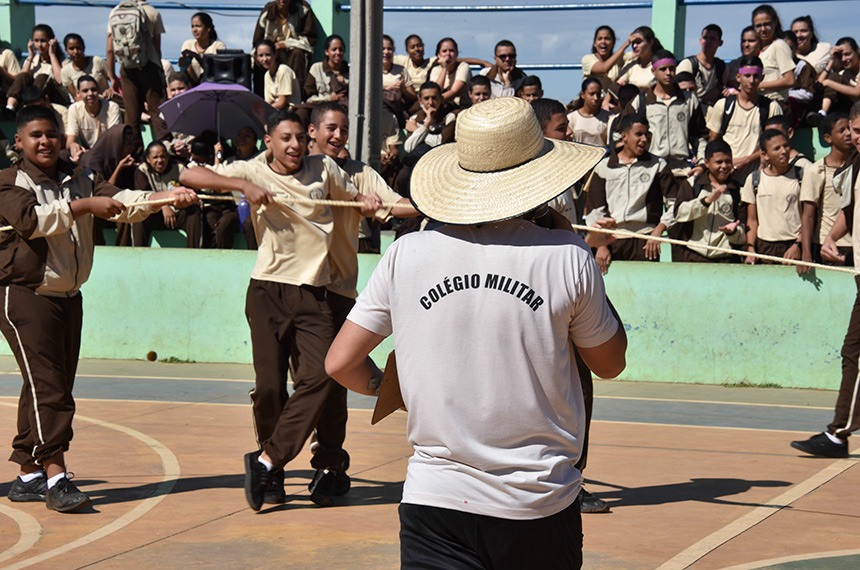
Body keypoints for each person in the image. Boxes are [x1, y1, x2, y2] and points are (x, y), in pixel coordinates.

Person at [325, 96, 625, 568]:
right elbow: (609, 363)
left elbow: (340, 362)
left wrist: (386, 387)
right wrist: (576, 249)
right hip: (537, 504)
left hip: (434, 500)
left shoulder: (408, 253)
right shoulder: (567, 255)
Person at [178, 109, 383, 510]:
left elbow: (353, 197)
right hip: (268, 291)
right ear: (269, 141)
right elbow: (189, 176)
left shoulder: (323, 167)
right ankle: (273, 473)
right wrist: (240, 186)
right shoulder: (252, 170)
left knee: (324, 375)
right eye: (284, 139)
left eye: (298, 139)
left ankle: (269, 461)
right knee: (270, 387)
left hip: (315, 294)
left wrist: (368, 202)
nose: (293, 147)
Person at [0, 105, 197, 512]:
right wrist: (84, 207)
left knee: (46, 384)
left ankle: (26, 473)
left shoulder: (80, 180)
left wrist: (165, 195)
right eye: (35, 135)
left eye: (51, 134)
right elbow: (31, 222)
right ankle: (55, 476)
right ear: (18, 142)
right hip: (24, 295)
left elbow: (123, 200)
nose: (45, 141)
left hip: (69, 297)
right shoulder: (8, 182)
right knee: (50, 388)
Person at [791, 101, 860, 458]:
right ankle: (838, 431)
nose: (855, 138)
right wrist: (831, 238)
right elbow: (848, 211)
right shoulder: (850, 171)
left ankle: (839, 432)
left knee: (856, 353)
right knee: (853, 351)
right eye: (853, 131)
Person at [586, 114, 680, 273]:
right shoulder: (604, 167)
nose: (644, 139)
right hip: (613, 241)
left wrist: (658, 231)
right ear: (624, 137)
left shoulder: (658, 165)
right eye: (638, 134)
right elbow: (595, 210)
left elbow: (675, 204)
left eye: (647, 134)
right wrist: (601, 245)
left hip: (646, 240)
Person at [622, 50, 708, 173]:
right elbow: (621, 133)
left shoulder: (689, 100)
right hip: (650, 170)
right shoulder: (641, 101)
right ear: (653, 71)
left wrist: (701, 164)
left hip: (682, 171)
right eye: (663, 69)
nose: (668, 73)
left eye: (672, 68)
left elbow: (700, 136)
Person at [706, 55, 783, 184]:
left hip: (757, 177)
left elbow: (775, 145)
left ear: (762, 78)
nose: (752, 81)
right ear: (738, 77)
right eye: (747, 76)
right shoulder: (723, 105)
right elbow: (713, 142)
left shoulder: (771, 107)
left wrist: (745, 160)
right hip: (726, 177)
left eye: (756, 76)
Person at [106, 0, 168, 154]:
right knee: (157, 112)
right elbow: (157, 48)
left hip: (127, 68)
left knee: (131, 115)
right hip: (150, 66)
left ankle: (135, 154)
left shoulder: (115, 12)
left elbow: (109, 50)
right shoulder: (152, 12)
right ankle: (163, 151)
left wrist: (112, 76)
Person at [673, 139, 745, 262]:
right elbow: (679, 214)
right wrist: (705, 201)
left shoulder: (738, 191)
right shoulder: (692, 185)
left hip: (725, 259)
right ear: (706, 163)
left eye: (728, 161)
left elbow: (744, 230)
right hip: (693, 256)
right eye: (719, 162)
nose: (724, 166)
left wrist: (733, 232)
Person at [798, 113, 853, 269]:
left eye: (850, 129)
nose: (848, 133)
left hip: (855, 243)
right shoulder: (817, 171)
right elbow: (808, 216)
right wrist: (806, 253)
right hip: (828, 246)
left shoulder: (856, 166)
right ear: (828, 138)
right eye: (842, 130)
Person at [742, 129, 803, 264]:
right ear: (765, 154)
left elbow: (809, 217)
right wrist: (751, 249)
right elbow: (752, 220)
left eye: (786, 146)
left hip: (794, 245)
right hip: (766, 247)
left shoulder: (802, 176)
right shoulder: (754, 180)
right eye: (777, 148)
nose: (784, 151)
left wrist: (798, 245)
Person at [131, 140, 202, 247]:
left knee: (194, 211)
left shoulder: (180, 168)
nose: (160, 161)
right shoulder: (142, 171)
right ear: (148, 159)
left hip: (178, 213)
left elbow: (190, 192)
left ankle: (194, 252)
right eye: (155, 157)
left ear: (168, 157)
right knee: (138, 214)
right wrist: (164, 206)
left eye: (163, 157)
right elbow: (144, 195)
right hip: (155, 214)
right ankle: (137, 254)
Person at [252, 0, 317, 96]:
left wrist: (287, 44)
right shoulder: (267, 11)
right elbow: (257, 41)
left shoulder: (303, 9)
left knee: (297, 54)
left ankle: (296, 97)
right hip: (272, 51)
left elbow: (310, 39)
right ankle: (260, 98)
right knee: (258, 59)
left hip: (294, 49)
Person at [4, 24, 65, 114]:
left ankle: (32, 106)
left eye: (43, 41)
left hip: (53, 98)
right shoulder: (34, 59)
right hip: (32, 97)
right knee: (24, 75)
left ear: (51, 41)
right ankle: (10, 108)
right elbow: (20, 79)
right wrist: (30, 56)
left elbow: (60, 80)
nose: (39, 45)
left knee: (42, 77)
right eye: (36, 41)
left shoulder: (62, 61)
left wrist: (52, 54)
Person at [65, 75, 123, 163]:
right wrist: (73, 147)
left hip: (108, 152)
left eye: (93, 90)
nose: (90, 94)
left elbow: (113, 141)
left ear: (98, 90)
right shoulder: (74, 109)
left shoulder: (112, 107)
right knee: (64, 155)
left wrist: (93, 153)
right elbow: (70, 141)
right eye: (85, 91)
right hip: (87, 153)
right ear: (78, 94)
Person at [751, 4, 794, 104]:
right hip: (761, 105)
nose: (763, 29)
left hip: (776, 104)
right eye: (758, 26)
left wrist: (758, 85)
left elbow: (789, 80)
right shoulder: (760, 51)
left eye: (767, 24)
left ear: (775, 23)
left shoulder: (779, 45)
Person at [676, 24, 726, 109]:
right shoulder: (688, 64)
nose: (708, 41)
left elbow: (724, 87)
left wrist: (718, 89)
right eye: (705, 38)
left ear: (720, 43)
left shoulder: (722, 67)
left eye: (712, 38)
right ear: (700, 41)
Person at [812, 38, 860, 123]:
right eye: (840, 56)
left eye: (847, 54)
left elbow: (857, 92)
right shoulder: (843, 73)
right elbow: (818, 84)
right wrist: (831, 60)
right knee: (833, 78)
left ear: (857, 51)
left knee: (833, 78)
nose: (844, 59)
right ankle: (822, 113)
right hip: (850, 109)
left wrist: (828, 82)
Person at [404, 81, 457, 154]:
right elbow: (408, 147)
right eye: (426, 98)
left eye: (434, 98)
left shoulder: (450, 116)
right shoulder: (415, 119)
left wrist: (416, 130)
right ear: (420, 101)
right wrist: (427, 124)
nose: (431, 102)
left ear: (441, 99)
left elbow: (441, 143)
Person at [179, 12, 226, 85]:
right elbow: (184, 70)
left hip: (211, 84)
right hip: (191, 85)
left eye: (198, 26)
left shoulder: (218, 46)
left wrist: (197, 57)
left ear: (208, 28)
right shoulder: (188, 44)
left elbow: (214, 72)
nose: (194, 30)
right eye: (192, 26)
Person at [61, 33, 110, 101]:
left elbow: (113, 80)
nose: (75, 52)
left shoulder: (97, 61)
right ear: (66, 50)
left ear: (83, 47)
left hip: (105, 101)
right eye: (71, 49)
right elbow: (76, 96)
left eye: (78, 48)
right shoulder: (65, 71)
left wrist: (109, 90)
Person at [255, 39, 300, 110]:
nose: (265, 59)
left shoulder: (283, 70)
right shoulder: (267, 75)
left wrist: (265, 110)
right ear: (257, 57)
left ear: (275, 54)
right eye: (261, 55)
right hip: (276, 110)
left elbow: (282, 103)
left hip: (290, 111)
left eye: (268, 55)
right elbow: (268, 101)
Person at [381, 34, 416, 126]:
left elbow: (413, 97)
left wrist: (403, 89)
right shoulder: (371, 71)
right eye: (383, 48)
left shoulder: (401, 70)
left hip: (397, 107)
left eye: (389, 49)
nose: (386, 52)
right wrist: (388, 89)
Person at [426, 37, 471, 106]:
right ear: (438, 55)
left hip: (459, 106)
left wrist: (436, 101)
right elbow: (436, 91)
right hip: (439, 104)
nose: (448, 54)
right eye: (444, 51)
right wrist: (444, 69)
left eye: (451, 51)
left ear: (457, 53)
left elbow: (454, 91)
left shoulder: (463, 67)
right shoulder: (436, 70)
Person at [305, 34, 348, 105]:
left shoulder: (350, 72)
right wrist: (328, 99)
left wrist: (345, 84)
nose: (338, 53)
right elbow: (308, 96)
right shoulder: (316, 68)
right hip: (320, 108)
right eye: (334, 50)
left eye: (341, 50)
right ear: (326, 52)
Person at [567, 77, 610, 146]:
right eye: (591, 94)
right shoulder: (572, 118)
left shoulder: (609, 118)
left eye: (598, 94)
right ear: (582, 95)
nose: (595, 98)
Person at [725, 26, 762, 94]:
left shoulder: (768, 61)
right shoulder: (732, 66)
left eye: (751, 41)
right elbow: (722, 88)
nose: (746, 45)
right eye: (743, 41)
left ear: (760, 42)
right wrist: (732, 91)